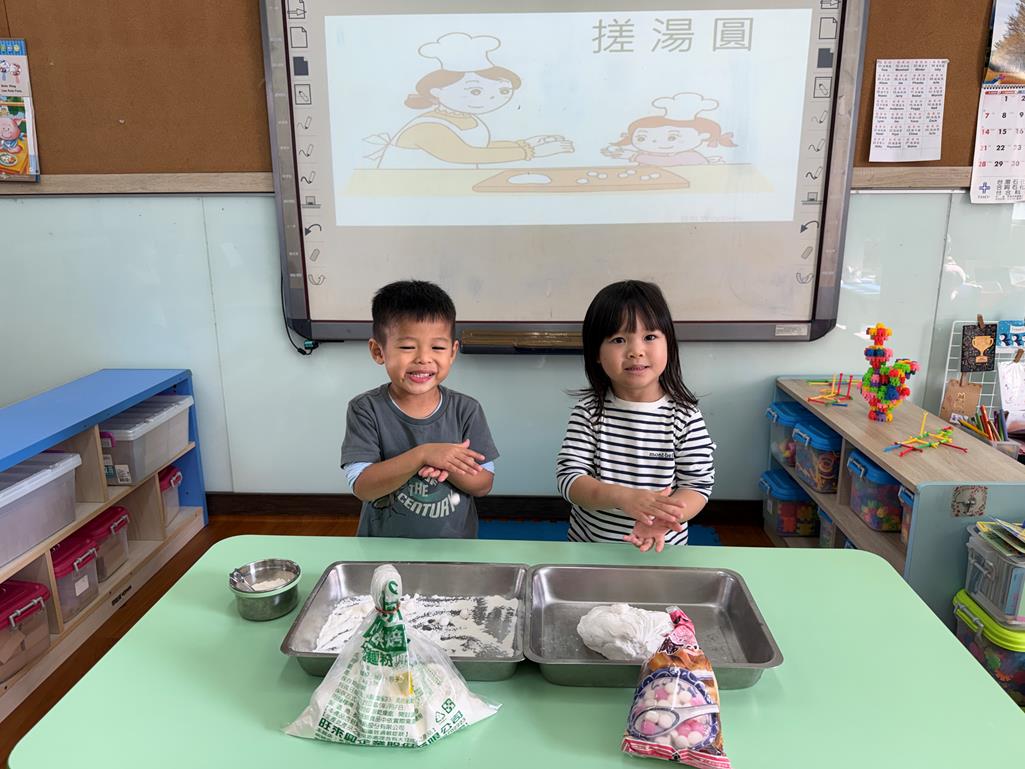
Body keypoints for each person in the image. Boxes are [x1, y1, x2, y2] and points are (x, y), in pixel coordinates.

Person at [555, 280, 716, 552]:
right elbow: (569, 479)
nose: (636, 351)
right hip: (591, 550)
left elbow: (697, 486)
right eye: (619, 340)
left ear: (669, 344)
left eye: (649, 337)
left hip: (662, 550)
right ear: (596, 353)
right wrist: (622, 496)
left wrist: (667, 517)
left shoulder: (685, 416)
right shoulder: (589, 412)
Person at [341, 280, 498, 537]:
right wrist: (423, 455)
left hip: (455, 547)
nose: (424, 358)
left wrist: (447, 464)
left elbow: (483, 484)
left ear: (452, 352)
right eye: (407, 347)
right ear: (378, 351)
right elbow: (363, 487)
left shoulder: (466, 409)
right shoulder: (365, 409)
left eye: (437, 347)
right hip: (382, 548)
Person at [369, 32, 573, 168]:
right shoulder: (427, 127)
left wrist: (524, 143)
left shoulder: (466, 117)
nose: (491, 98)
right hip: (408, 190)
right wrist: (530, 152)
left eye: (503, 91)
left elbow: (481, 146)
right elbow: (466, 154)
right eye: (475, 91)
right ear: (437, 91)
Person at [602, 92, 735, 167]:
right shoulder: (648, 154)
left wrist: (632, 155)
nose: (655, 142)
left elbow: (667, 163)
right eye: (641, 138)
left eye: (672, 137)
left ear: (703, 136)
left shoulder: (691, 156)